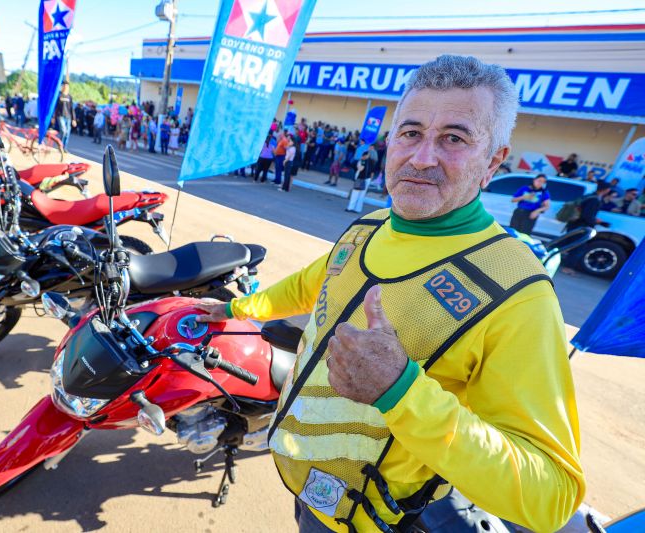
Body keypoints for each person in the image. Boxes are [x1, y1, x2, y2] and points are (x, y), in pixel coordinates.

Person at [196, 54, 583, 533]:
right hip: (304, 486)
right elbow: (309, 285)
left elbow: (552, 496)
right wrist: (233, 308)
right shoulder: (369, 227)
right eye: (411, 132)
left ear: (493, 160)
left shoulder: (518, 292)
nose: (422, 157)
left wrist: (401, 390)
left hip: (371, 520)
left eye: (454, 139)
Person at [53, 81, 76, 148]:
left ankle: (64, 147)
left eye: (67, 86)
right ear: (62, 87)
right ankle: (60, 145)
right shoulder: (59, 96)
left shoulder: (70, 97)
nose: (65, 87)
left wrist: (74, 119)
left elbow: (72, 108)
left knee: (67, 133)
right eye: (64, 86)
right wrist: (53, 117)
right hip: (60, 116)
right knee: (63, 131)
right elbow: (55, 108)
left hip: (68, 117)